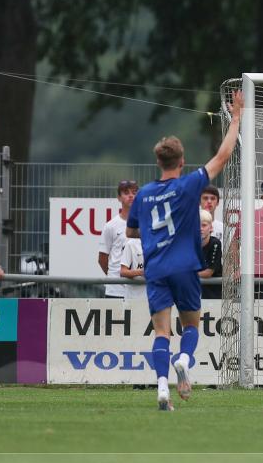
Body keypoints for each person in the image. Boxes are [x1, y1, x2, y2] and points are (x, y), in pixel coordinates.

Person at [125, 89, 242, 411]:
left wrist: (154, 232)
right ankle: (185, 360)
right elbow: (222, 156)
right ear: (182, 161)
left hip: (156, 269)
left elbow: (131, 231)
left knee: (161, 332)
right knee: (191, 326)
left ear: (158, 162)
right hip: (185, 266)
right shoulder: (188, 184)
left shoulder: (144, 194)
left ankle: (162, 388)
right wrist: (236, 117)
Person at [98, 180, 138, 298]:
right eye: (126, 193)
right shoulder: (111, 226)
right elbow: (102, 259)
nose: (131, 196)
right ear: (119, 198)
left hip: (139, 289)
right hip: (115, 290)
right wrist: (115, 277)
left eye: (134, 192)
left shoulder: (146, 223)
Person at [198, 209, 223, 300]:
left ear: (211, 228)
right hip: (195, 288)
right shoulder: (189, 244)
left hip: (214, 290)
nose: (200, 228)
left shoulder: (215, 243)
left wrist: (188, 274)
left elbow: (208, 272)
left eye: (204, 225)